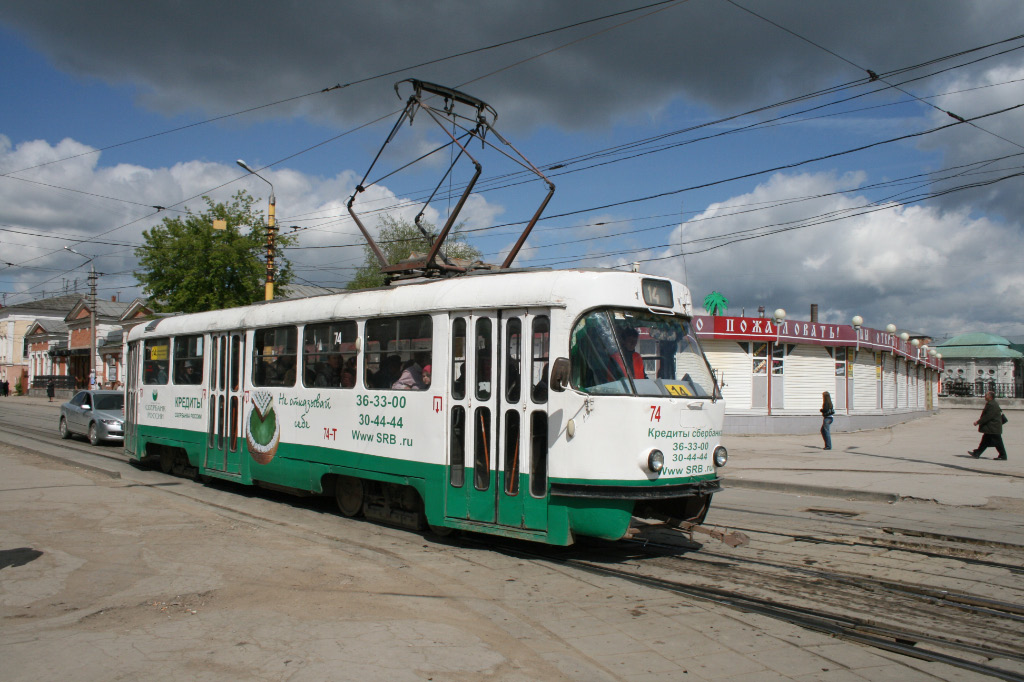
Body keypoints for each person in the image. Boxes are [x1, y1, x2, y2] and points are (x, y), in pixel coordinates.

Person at [968, 391, 1007, 460]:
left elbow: (988, 417)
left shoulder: (992, 405)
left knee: (997, 442)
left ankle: (1003, 455)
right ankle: (977, 453)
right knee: (985, 441)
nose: (985, 396)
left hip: (993, 427)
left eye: (986, 395)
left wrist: (978, 422)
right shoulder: (991, 403)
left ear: (990, 397)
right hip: (992, 427)